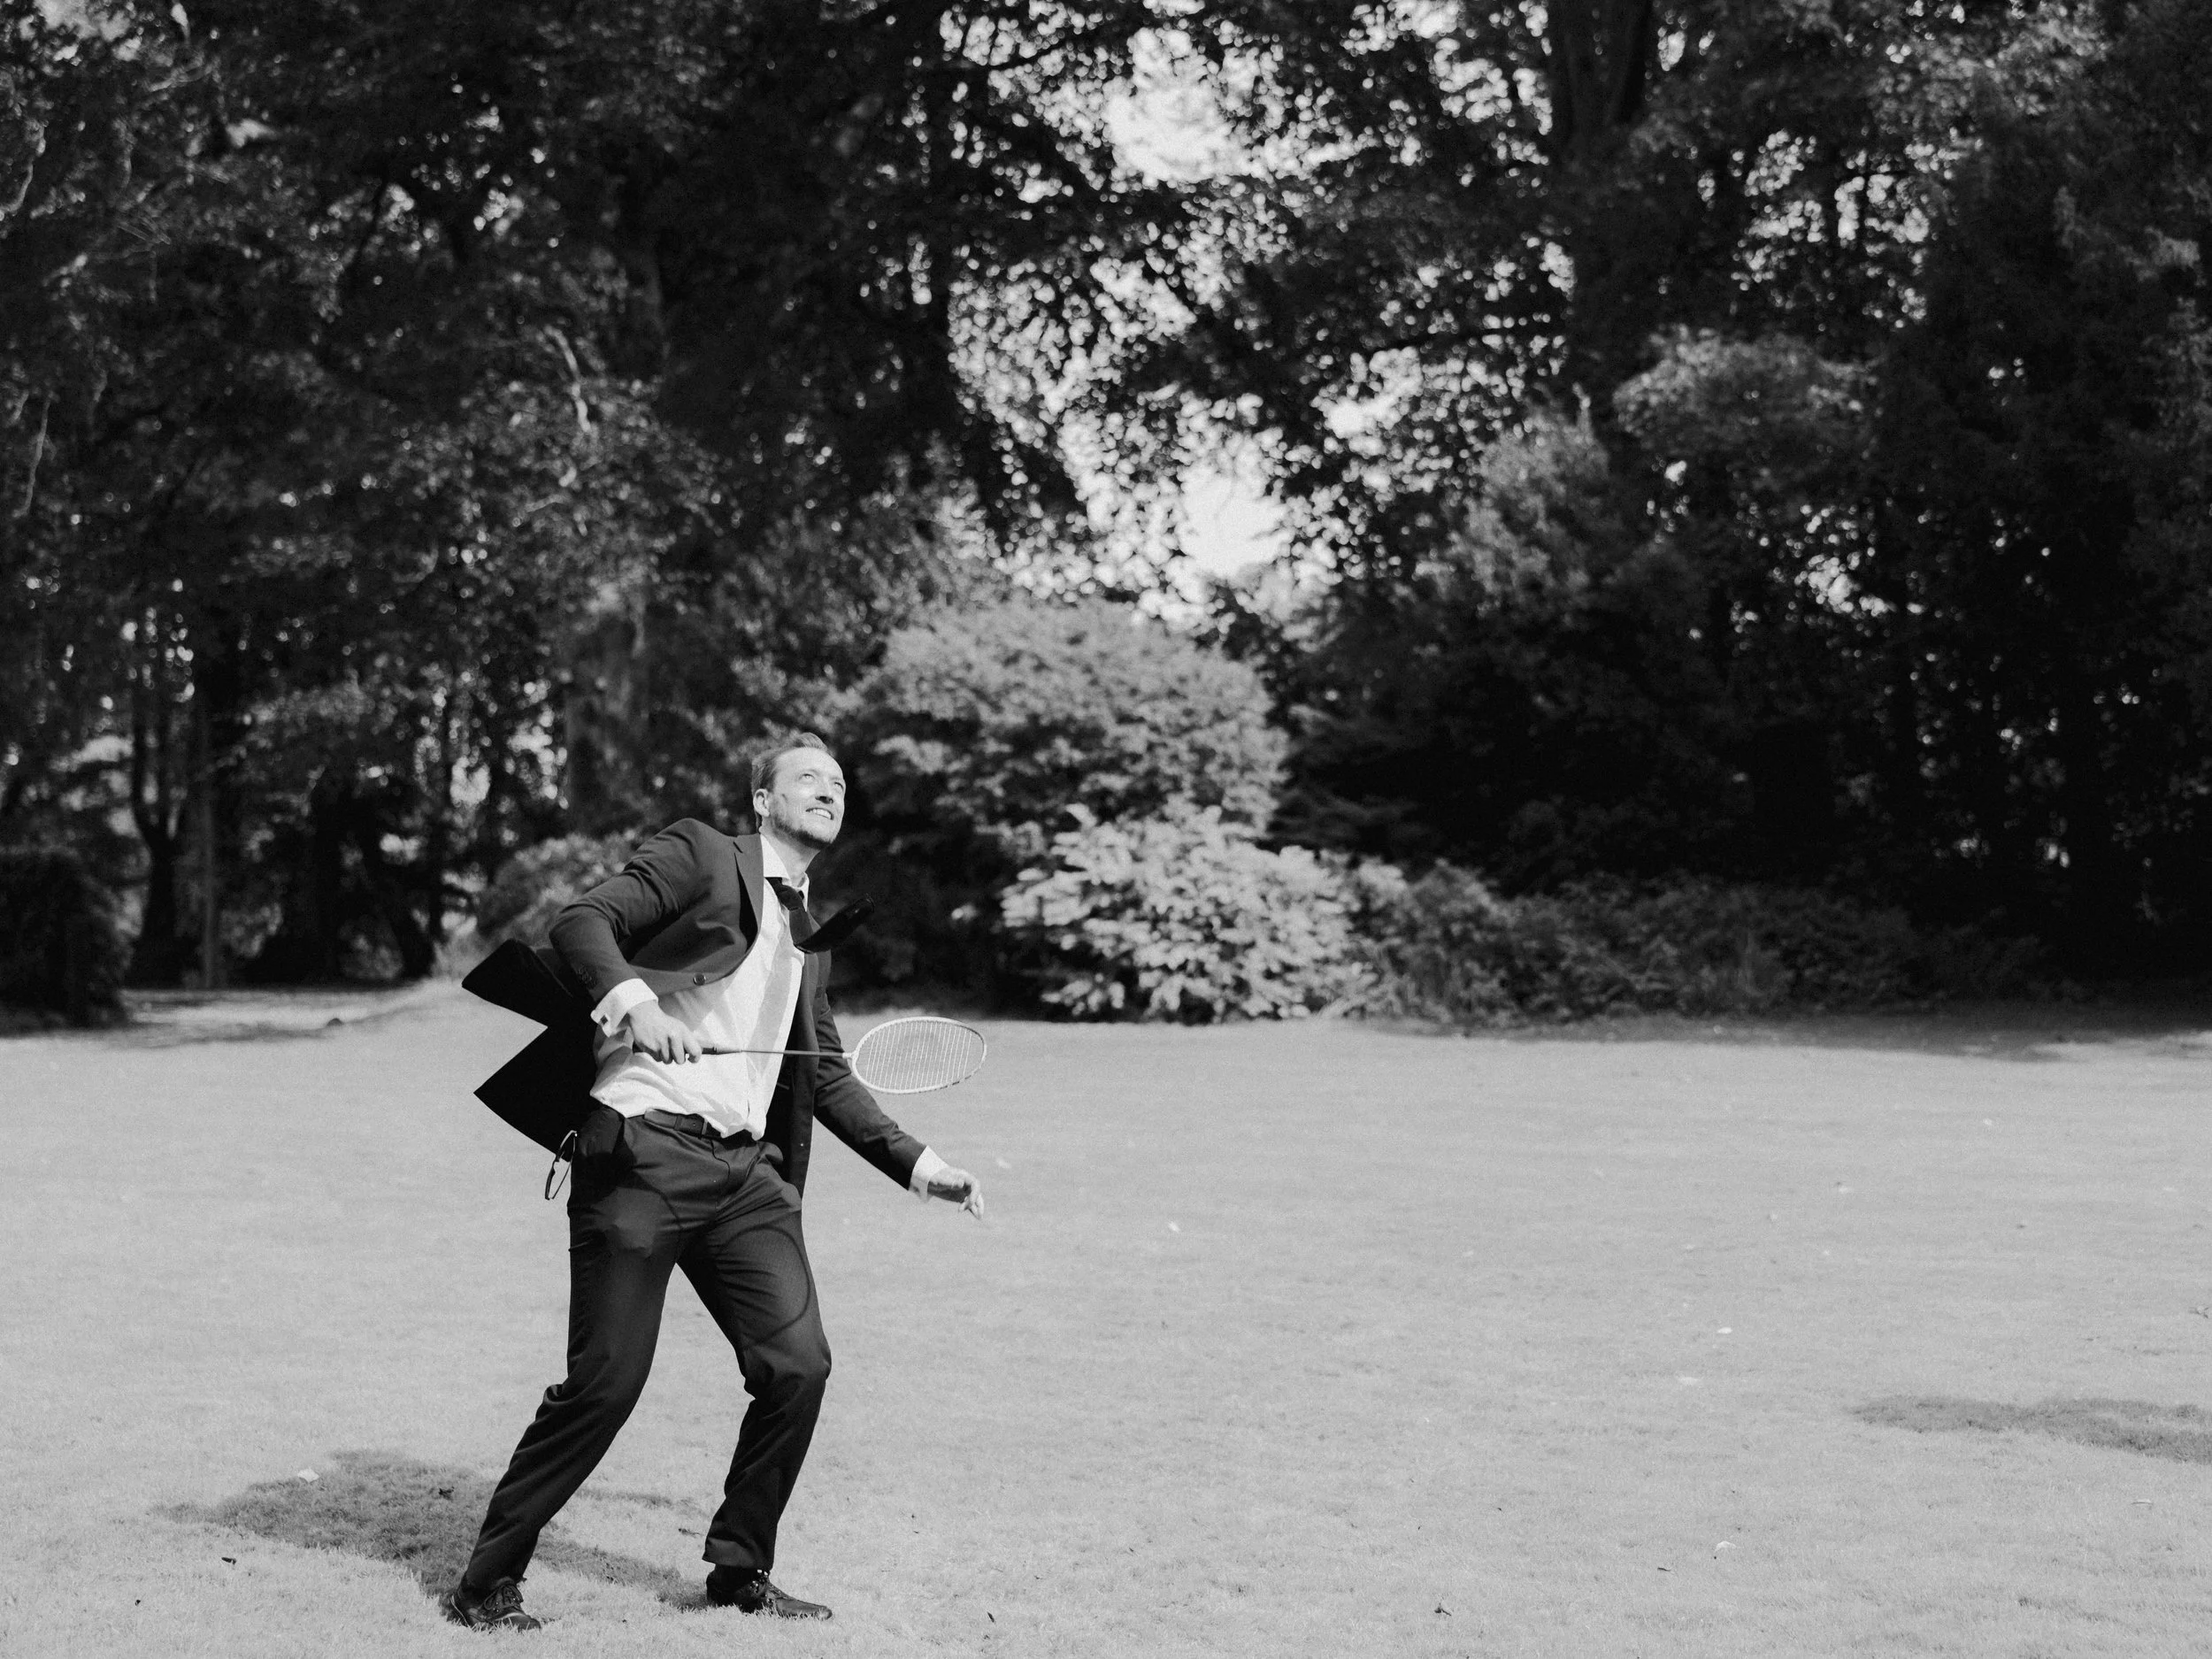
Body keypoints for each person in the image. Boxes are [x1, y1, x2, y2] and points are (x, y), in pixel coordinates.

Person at [440, 733, 982, 1632]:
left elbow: (830, 1074)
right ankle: (485, 1581)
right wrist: (637, 1005)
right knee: (605, 1385)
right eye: (810, 779)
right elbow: (582, 923)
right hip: (644, 1153)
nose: (830, 791)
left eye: (841, 785)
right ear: (763, 800)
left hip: (745, 1177)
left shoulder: (810, 932)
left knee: (797, 1365)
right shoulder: (703, 853)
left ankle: (738, 1570)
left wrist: (923, 1169)